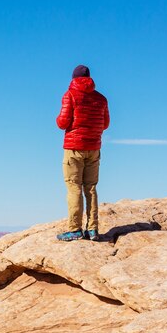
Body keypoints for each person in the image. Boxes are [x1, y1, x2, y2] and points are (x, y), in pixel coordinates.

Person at [56, 65, 110, 242]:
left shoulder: (70, 95)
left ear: (73, 78)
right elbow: (105, 124)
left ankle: (75, 230)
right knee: (91, 188)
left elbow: (63, 123)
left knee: (74, 187)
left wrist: (58, 119)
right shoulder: (101, 99)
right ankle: (93, 230)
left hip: (74, 148)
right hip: (94, 148)